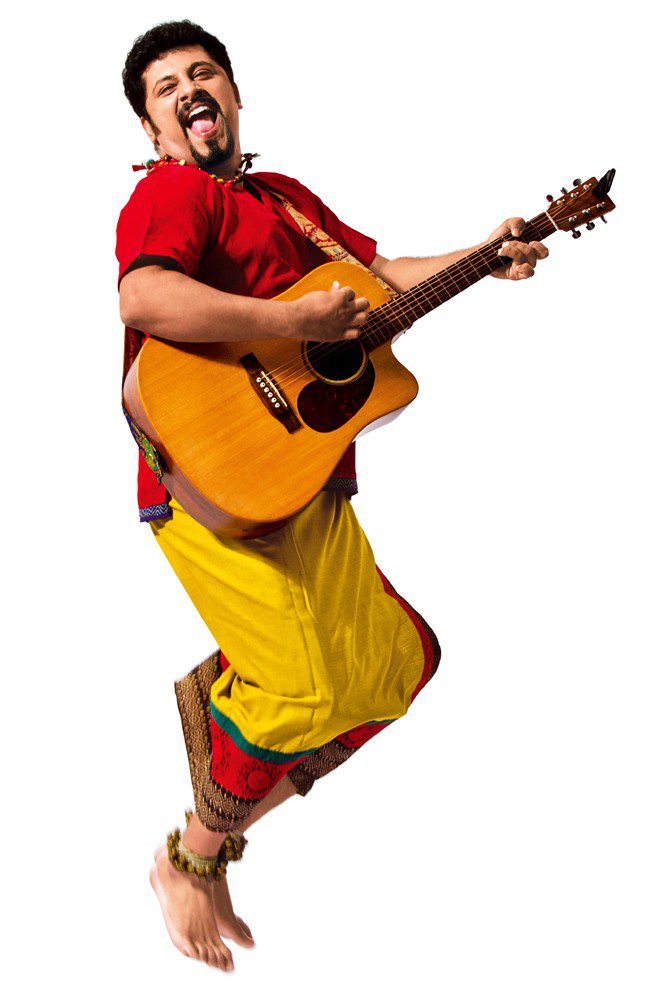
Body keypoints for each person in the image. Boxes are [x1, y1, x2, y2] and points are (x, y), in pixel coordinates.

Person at [116, 19, 549, 973]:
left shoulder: (285, 199)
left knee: (394, 664)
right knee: (303, 687)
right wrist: (291, 321)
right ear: (153, 131)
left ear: (234, 97)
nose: (190, 92)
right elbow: (144, 298)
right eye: (166, 88)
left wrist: (485, 254)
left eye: (204, 74)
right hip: (207, 473)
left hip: (300, 476)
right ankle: (191, 857)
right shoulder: (174, 191)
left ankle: (216, 809)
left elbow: (381, 282)